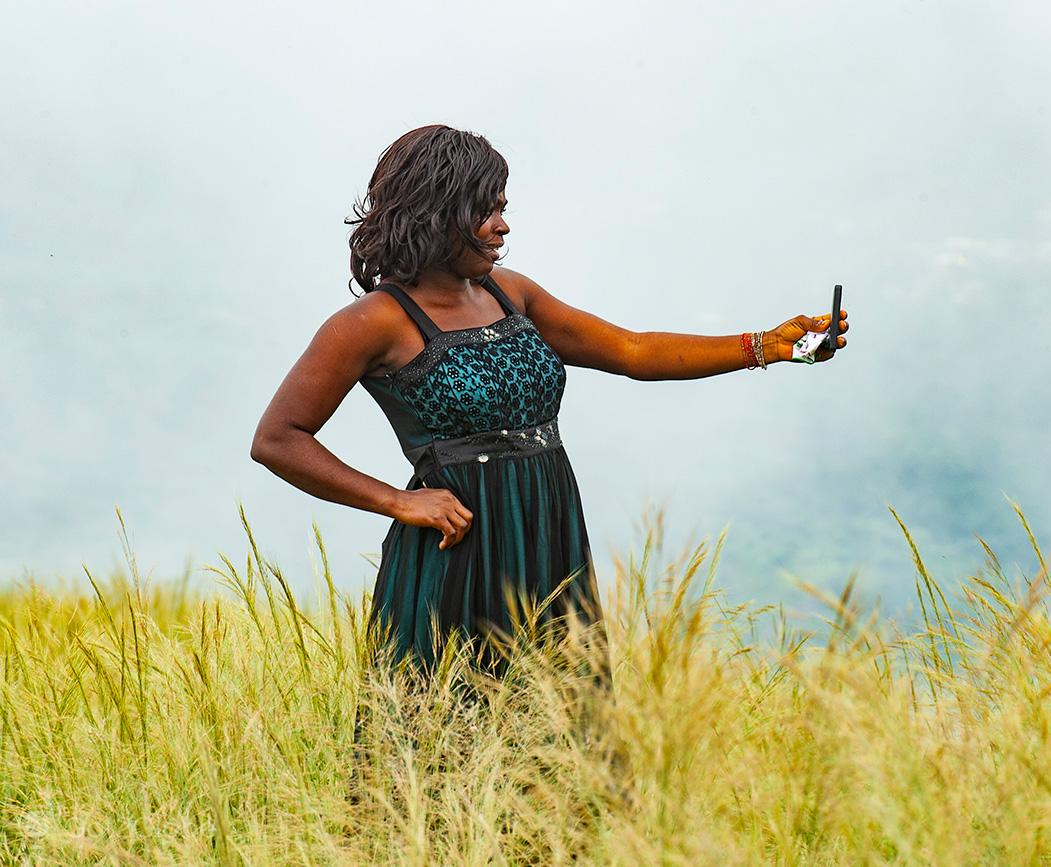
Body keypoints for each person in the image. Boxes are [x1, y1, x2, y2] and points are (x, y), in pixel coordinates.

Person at [249, 123, 849, 693]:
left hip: (546, 527)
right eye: (486, 211)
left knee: (558, 723)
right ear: (436, 213)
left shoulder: (510, 293)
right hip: (460, 545)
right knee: (448, 730)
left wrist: (768, 346)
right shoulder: (370, 323)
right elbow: (279, 438)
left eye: (502, 208)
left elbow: (633, 350)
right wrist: (398, 500)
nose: (502, 227)